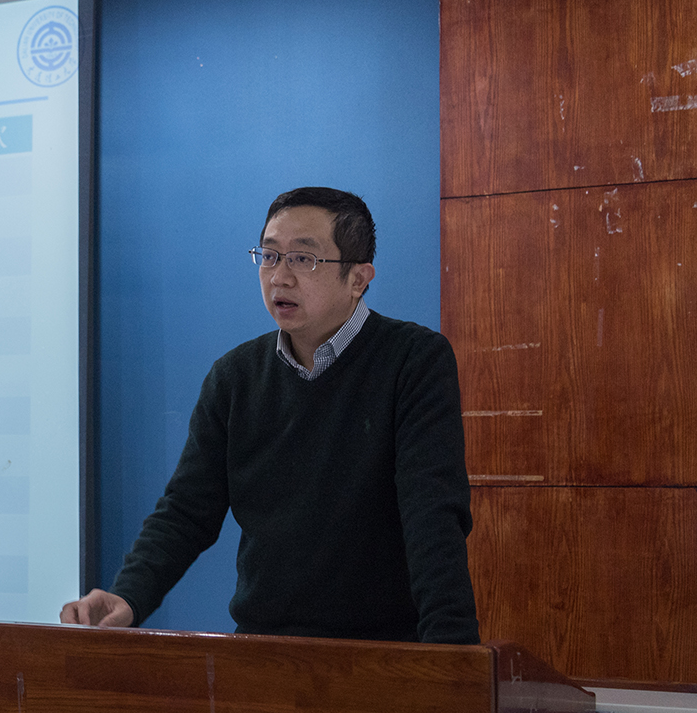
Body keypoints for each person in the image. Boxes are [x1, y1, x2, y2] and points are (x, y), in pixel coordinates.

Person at [61, 187, 480, 643]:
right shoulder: (234, 377)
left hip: (381, 649)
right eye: (269, 256)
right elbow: (186, 511)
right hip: (260, 647)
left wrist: (452, 654)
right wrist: (129, 595)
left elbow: (432, 516)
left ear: (358, 279)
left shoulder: (413, 361)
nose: (279, 277)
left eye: (303, 258)